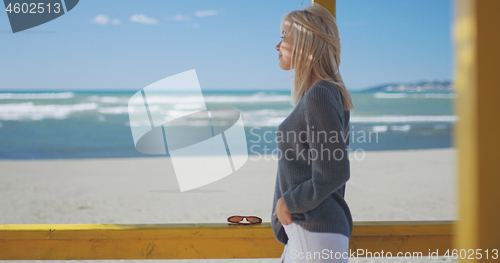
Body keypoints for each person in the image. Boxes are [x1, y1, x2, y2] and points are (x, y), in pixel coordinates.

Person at [271, 3, 355, 263]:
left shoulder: (320, 94)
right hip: (312, 235)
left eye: (284, 36)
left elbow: (334, 171)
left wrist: (289, 202)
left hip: (313, 234)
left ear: (306, 41)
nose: (277, 45)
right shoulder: (323, 94)